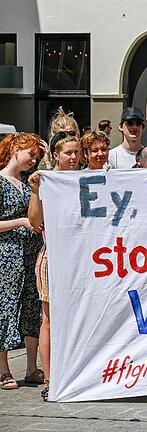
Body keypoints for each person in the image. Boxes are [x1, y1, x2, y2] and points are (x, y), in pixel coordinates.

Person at [27, 134, 81, 401]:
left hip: (82, 259)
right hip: (53, 258)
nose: (73, 158)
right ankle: (50, 378)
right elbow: (35, 223)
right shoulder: (46, 181)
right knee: (49, 319)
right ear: (57, 155)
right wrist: (36, 192)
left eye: (76, 153)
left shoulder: (84, 179)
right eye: (68, 153)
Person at [0, 133, 45, 391]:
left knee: (30, 306)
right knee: (6, 307)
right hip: (6, 254)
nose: (34, 160)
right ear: (17, 149)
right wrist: (20, 222)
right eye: (31, 154)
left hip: (30, 253)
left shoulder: (29, 184)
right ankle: (4, 369)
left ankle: (31, 367)